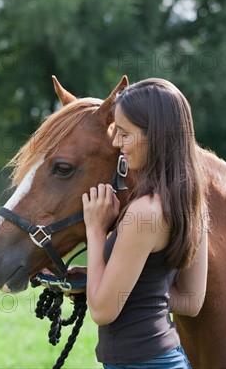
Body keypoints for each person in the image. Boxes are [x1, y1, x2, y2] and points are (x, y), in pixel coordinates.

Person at [81, 78, 208, 368]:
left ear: (156, 136)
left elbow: (101, 311)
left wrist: (96, 229)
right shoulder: (193, 204)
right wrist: (108, 279)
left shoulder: (144, 213)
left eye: (124, 134)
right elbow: (190, 300)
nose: (116, 143)